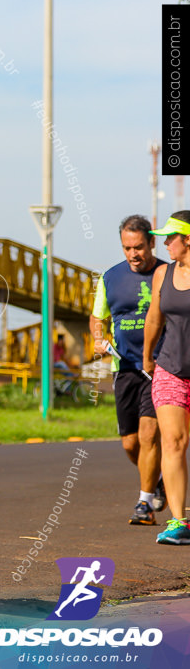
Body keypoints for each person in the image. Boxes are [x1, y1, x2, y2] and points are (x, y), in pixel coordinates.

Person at [90, 215, 165, 526]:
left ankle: (144, 504)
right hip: (125, 367)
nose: (133, 254)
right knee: (130, 443)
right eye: (127, 248)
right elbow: (98, 318)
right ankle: (156, 480)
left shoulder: (167, 273)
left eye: (139, 247)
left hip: (161, 366)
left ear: (151, 243)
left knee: (149, 435)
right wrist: (97, 338)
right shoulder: (110, 277)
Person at [144, 211, 190, 544]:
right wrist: (148, 357)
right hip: (170, 367)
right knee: (173, 442)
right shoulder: (163, 273)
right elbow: (154, 318)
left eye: (171, 237)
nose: (165, 243)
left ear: (188, 239)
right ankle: (178, 521)